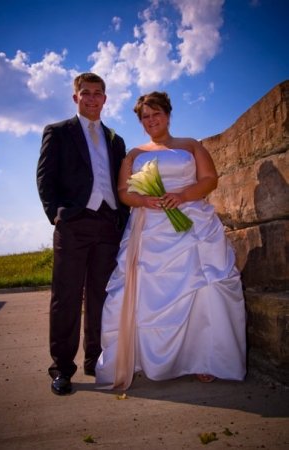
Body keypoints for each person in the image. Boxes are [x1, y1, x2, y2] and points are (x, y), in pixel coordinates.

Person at [95, 91, 246, 390]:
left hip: (192, 223)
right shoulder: (135, 155)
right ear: (140, 121)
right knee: (144, 293)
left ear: (168, 114)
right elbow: (124, 192)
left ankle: (206, 359)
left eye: (157, 114)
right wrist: (144, 200)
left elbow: (209, 179)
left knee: (204, 289)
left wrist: (182, 196)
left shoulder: (190, 145)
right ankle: (141, 358)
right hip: (149, 226)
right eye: (145, 117)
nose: (151, 121)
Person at [36, 72, 129, 395]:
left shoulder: (116, 139)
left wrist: (122, 220)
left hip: (107, 225)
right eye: (85, 93)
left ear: (105, 98)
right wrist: (57, 216)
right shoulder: (58, 132)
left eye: (98, 93)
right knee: (66, 297)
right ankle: (62, 368)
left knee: (101, 297)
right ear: (76, 97)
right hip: (73, 225)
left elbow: (121, 184)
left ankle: (96, 360)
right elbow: (45, 179)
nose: (92, 98)